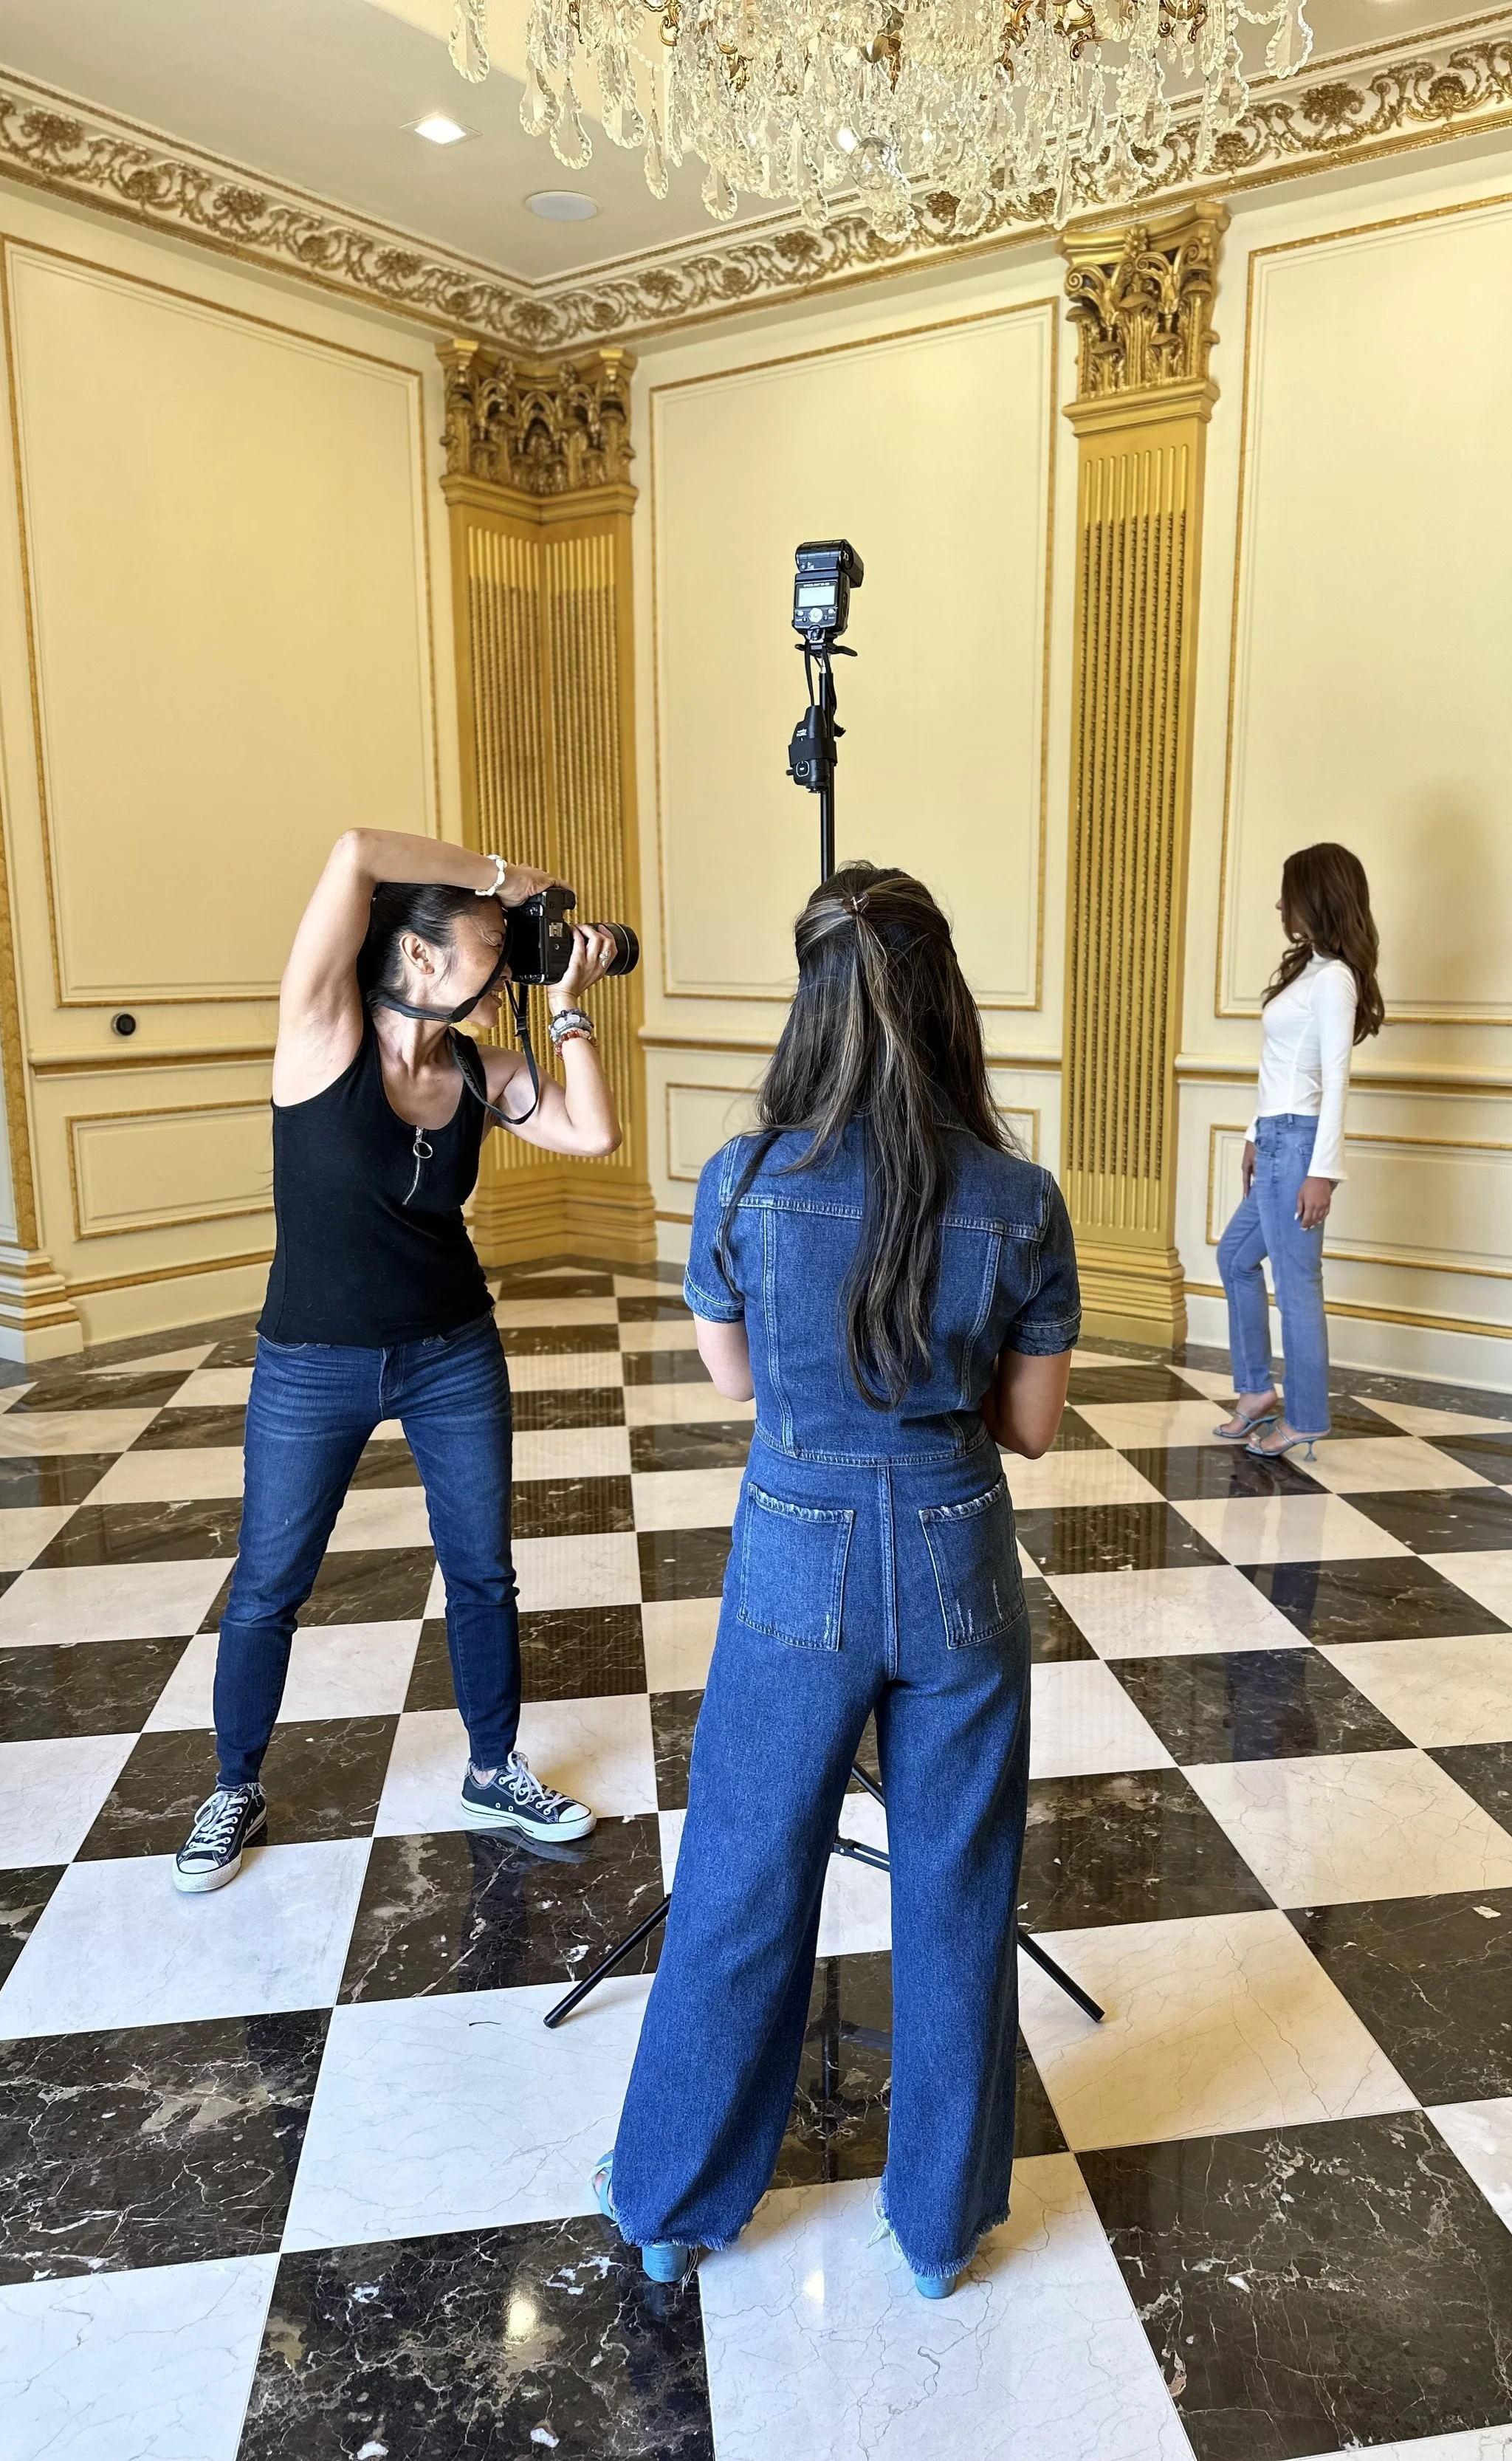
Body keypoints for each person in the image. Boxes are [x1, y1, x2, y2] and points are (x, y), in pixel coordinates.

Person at [594, 862, 1079, 2298]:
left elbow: (733, 1376)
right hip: (954, 1561)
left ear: (808, 997)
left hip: (794, 1552)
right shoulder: (1020, 1196)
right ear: (947, 1002)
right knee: (956, 1885)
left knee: (742, 1871)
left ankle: (673, 2203)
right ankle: (935, 2231)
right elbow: (1030, 1429)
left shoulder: (743, 1178)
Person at [173, 829, 625, 1893]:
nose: (507, 954)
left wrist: (567, 1010)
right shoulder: (320, 1036)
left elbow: (593, 1134)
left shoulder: (477, 1066)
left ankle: (493, 1767)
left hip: (451, 1352)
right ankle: (234, 1783)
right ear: (420, 958)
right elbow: (351, 852)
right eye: (488, 942)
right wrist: (507, 879)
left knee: (482, 1569)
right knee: (270, 1584)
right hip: (312, 1363)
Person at [1214, 842, 1383, 1463]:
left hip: (1303, 1144)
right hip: (1278, 1139)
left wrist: (1323, 1173)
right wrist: (1255, 1133)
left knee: (1297, 1284)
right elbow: (1277, 1066)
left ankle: (1307, 1416)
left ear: (1317, 897)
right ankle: (1258, 1391)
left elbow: (1335, 1076)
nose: (1280, 903)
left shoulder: (1335, 980)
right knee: (1235, 1257)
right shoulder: (1309, 971)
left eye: (1289, 891)